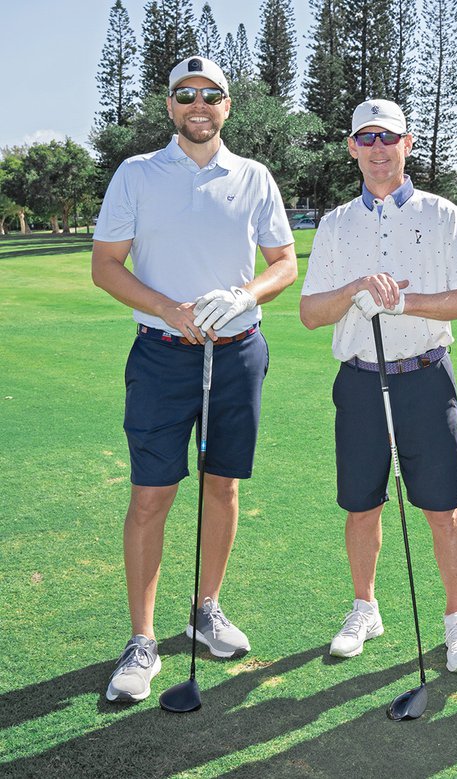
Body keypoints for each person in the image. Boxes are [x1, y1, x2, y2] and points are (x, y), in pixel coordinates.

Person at [92, 56, 297, 703]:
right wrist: (169, 309)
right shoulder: (137, 174)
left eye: (211, 95)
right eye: (186, 95)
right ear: (171, 106)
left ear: (227, 106)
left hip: (238, 353)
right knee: (151, 495)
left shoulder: (255, 178)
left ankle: (205, 607)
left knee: (223, 485)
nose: (198, 105)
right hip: (161, 355)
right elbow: (105, 265)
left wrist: (245, 294)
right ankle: (143, 637)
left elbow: (285, 261)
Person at [300, 99, 457, 673]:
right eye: (367, 138)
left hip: (425, 378)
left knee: (442, 509)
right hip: (358, 381)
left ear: (408, 145)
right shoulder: (334, 224)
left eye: (390, 138)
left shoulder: (440, 214)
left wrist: (404, 302)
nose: (379, 149)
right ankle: (365, 608)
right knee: (361, 507)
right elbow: (310, 312)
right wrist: (355, 287)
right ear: (353, 147)